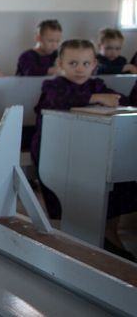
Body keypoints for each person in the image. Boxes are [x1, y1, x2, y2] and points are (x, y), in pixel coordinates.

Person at [31, 39, 136, 260]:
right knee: (79, 191)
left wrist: (113, 101)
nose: (80, 69)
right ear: (60, 63)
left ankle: (109, 229)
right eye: (73, 63)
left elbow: (119, 100)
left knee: (117, 182)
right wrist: (94, 99)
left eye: (86, 63)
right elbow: (58, 101)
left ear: (94, 64)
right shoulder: (53, 86)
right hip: (55, 150)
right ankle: (86, 236)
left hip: (92, 150)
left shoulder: (96, 84)